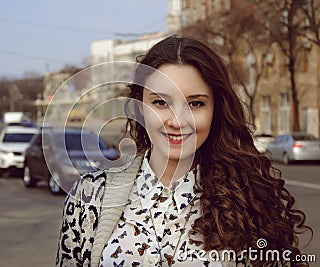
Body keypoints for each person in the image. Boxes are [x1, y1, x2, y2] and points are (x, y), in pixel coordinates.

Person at [56, 36, 312, 266]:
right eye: (160, 102)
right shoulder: (89, 197)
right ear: (139, 108)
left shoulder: (251, 199)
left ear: (216, 111)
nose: (178, 120)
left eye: (196, 103)